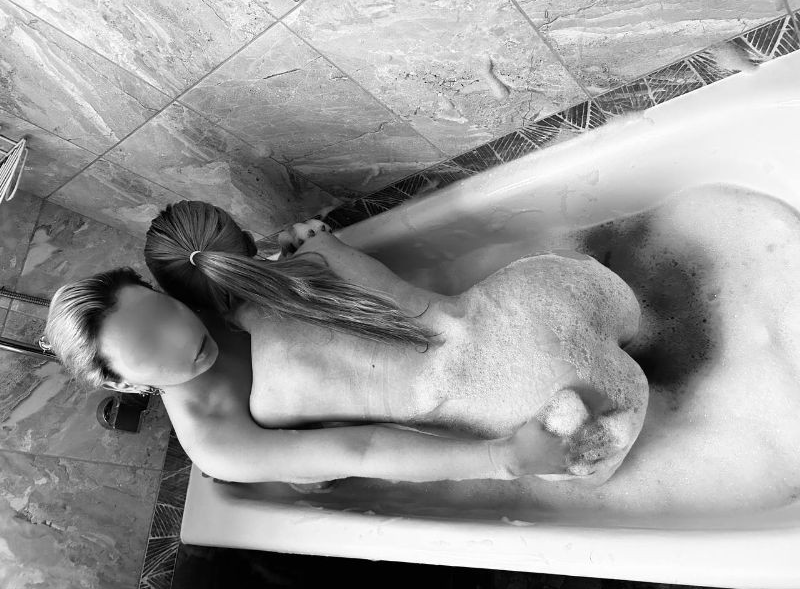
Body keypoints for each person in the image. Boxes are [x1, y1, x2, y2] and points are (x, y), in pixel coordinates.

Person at [44, 201, 648, 486]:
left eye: (165, 311)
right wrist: (505, 458)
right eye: (151, 347)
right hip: (543, 299)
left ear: (161, 290)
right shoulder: (216, 442)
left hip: (530, 381)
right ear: (123, 383)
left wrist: (506, 458)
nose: (184, 338)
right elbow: (358, 449)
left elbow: (359, 449)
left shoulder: (216, 291)